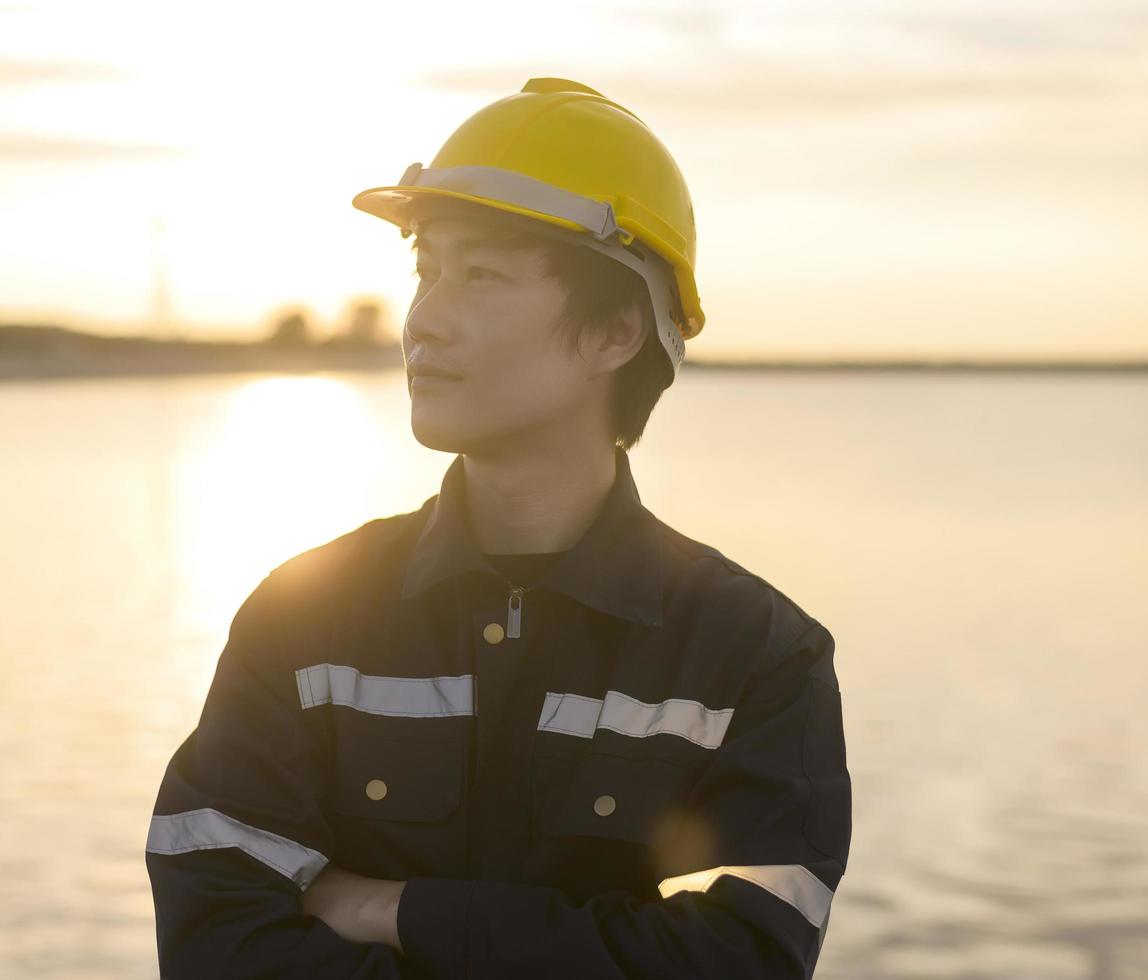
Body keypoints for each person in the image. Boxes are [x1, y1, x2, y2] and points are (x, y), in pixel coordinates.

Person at [145, 77, 850, 979]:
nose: (424, 320)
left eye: (480, 275)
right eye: (425, 270)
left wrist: (395, 909)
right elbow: (216, 941)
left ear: (614, 332)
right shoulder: (303, 616)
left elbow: (736, 962)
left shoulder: (754, 657)